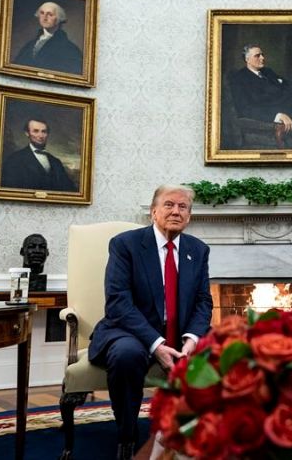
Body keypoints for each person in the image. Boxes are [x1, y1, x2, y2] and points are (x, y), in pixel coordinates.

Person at [88, 185, 213, 460]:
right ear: (154, 211)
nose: (176, 212)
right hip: (130, 330)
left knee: (221, 350)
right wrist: (156, 344)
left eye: (183, 207)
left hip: (180, 333)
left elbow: (204, 301)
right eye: (169, 205)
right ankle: (127, 436)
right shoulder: (126, 245)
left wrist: (192, 338)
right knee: (126, 355)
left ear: (189, 216)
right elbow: (118, 302)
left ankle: (202, 434)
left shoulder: (198, 250)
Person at [228, 43, 292, 149]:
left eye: (262, 54)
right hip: (274, 123)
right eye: (257, 56)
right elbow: (246, 108)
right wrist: (277, 115)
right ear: (247, 59)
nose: (262, 58)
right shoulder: (239, 79)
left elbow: (289, 86)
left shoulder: (267, 72)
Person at [1, 118, 77, 192]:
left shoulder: (56, 162)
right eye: (36, 131)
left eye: (44, 131)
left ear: (47, 134)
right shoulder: (15, 159)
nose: (40, 136)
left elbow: (69, 190)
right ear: (27, 133)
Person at [13, 1, 83, 74]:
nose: (44, 18)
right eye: (42, 13)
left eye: (50, 14)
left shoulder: (70, 49)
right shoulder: (29, 45)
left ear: (59, 19)